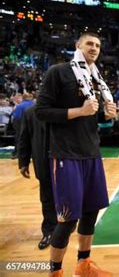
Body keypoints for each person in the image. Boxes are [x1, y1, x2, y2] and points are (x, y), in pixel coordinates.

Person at [36, 32, 117, 277]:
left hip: (91, 152)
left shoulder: (95, 78)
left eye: (98, 45)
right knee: (68, 219)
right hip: (65, 154)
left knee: (91, 213)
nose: (94, 48)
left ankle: (84, 265)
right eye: (89, 43)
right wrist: (78, 111)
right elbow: (42, 111)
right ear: (77, 46)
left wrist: (106, 115)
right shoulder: (58, 72)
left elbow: (91, 115)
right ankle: (55, 271)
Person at [18, 105, 57, 250]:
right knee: (47, 198)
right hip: (43, 161)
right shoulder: (30, 112)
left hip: (66, 160)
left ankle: (67, 225)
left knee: (69, 194)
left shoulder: (66, 108)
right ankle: (49, 232)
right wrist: (23, 161)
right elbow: (24, 137)